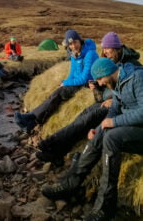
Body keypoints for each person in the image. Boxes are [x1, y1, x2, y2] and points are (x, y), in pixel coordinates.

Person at [42, 57, 143, 221]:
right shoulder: (117, 84)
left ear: (107, 72)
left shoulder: (137, 78)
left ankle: (105, 207)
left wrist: (114, 122)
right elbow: (114, 110)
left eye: (100, 79)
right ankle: (71, 183)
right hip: (134, 128)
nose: (100, 84)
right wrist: (100, 127)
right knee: (102, 133)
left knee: (112, 137)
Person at [36, 32, 141, 166]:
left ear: (116, 48)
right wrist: (97, 86)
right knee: (83, 115)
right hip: (110, 102)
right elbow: (109, 85)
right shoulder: (114, 60)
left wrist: (113, 99)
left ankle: (50, 145)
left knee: (88, 119)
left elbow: (128, 93)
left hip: (121, 108)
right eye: (103, 49)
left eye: (107, 48)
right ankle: (57, 150)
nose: (105, 52)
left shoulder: (132, 65)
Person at [15, 29, 99, 133]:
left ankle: (31, 118)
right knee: (57, 92)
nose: (73, 46)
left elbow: (85, 78)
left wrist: (66, 83)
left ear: (80, 40)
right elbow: (72, 74)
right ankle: (32, 121)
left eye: (75, 42)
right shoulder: (74, 55)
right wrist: (64, 82)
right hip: (78, 82)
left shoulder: (90, 54)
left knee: (58, 94)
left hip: (87, 83)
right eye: (70, 44)